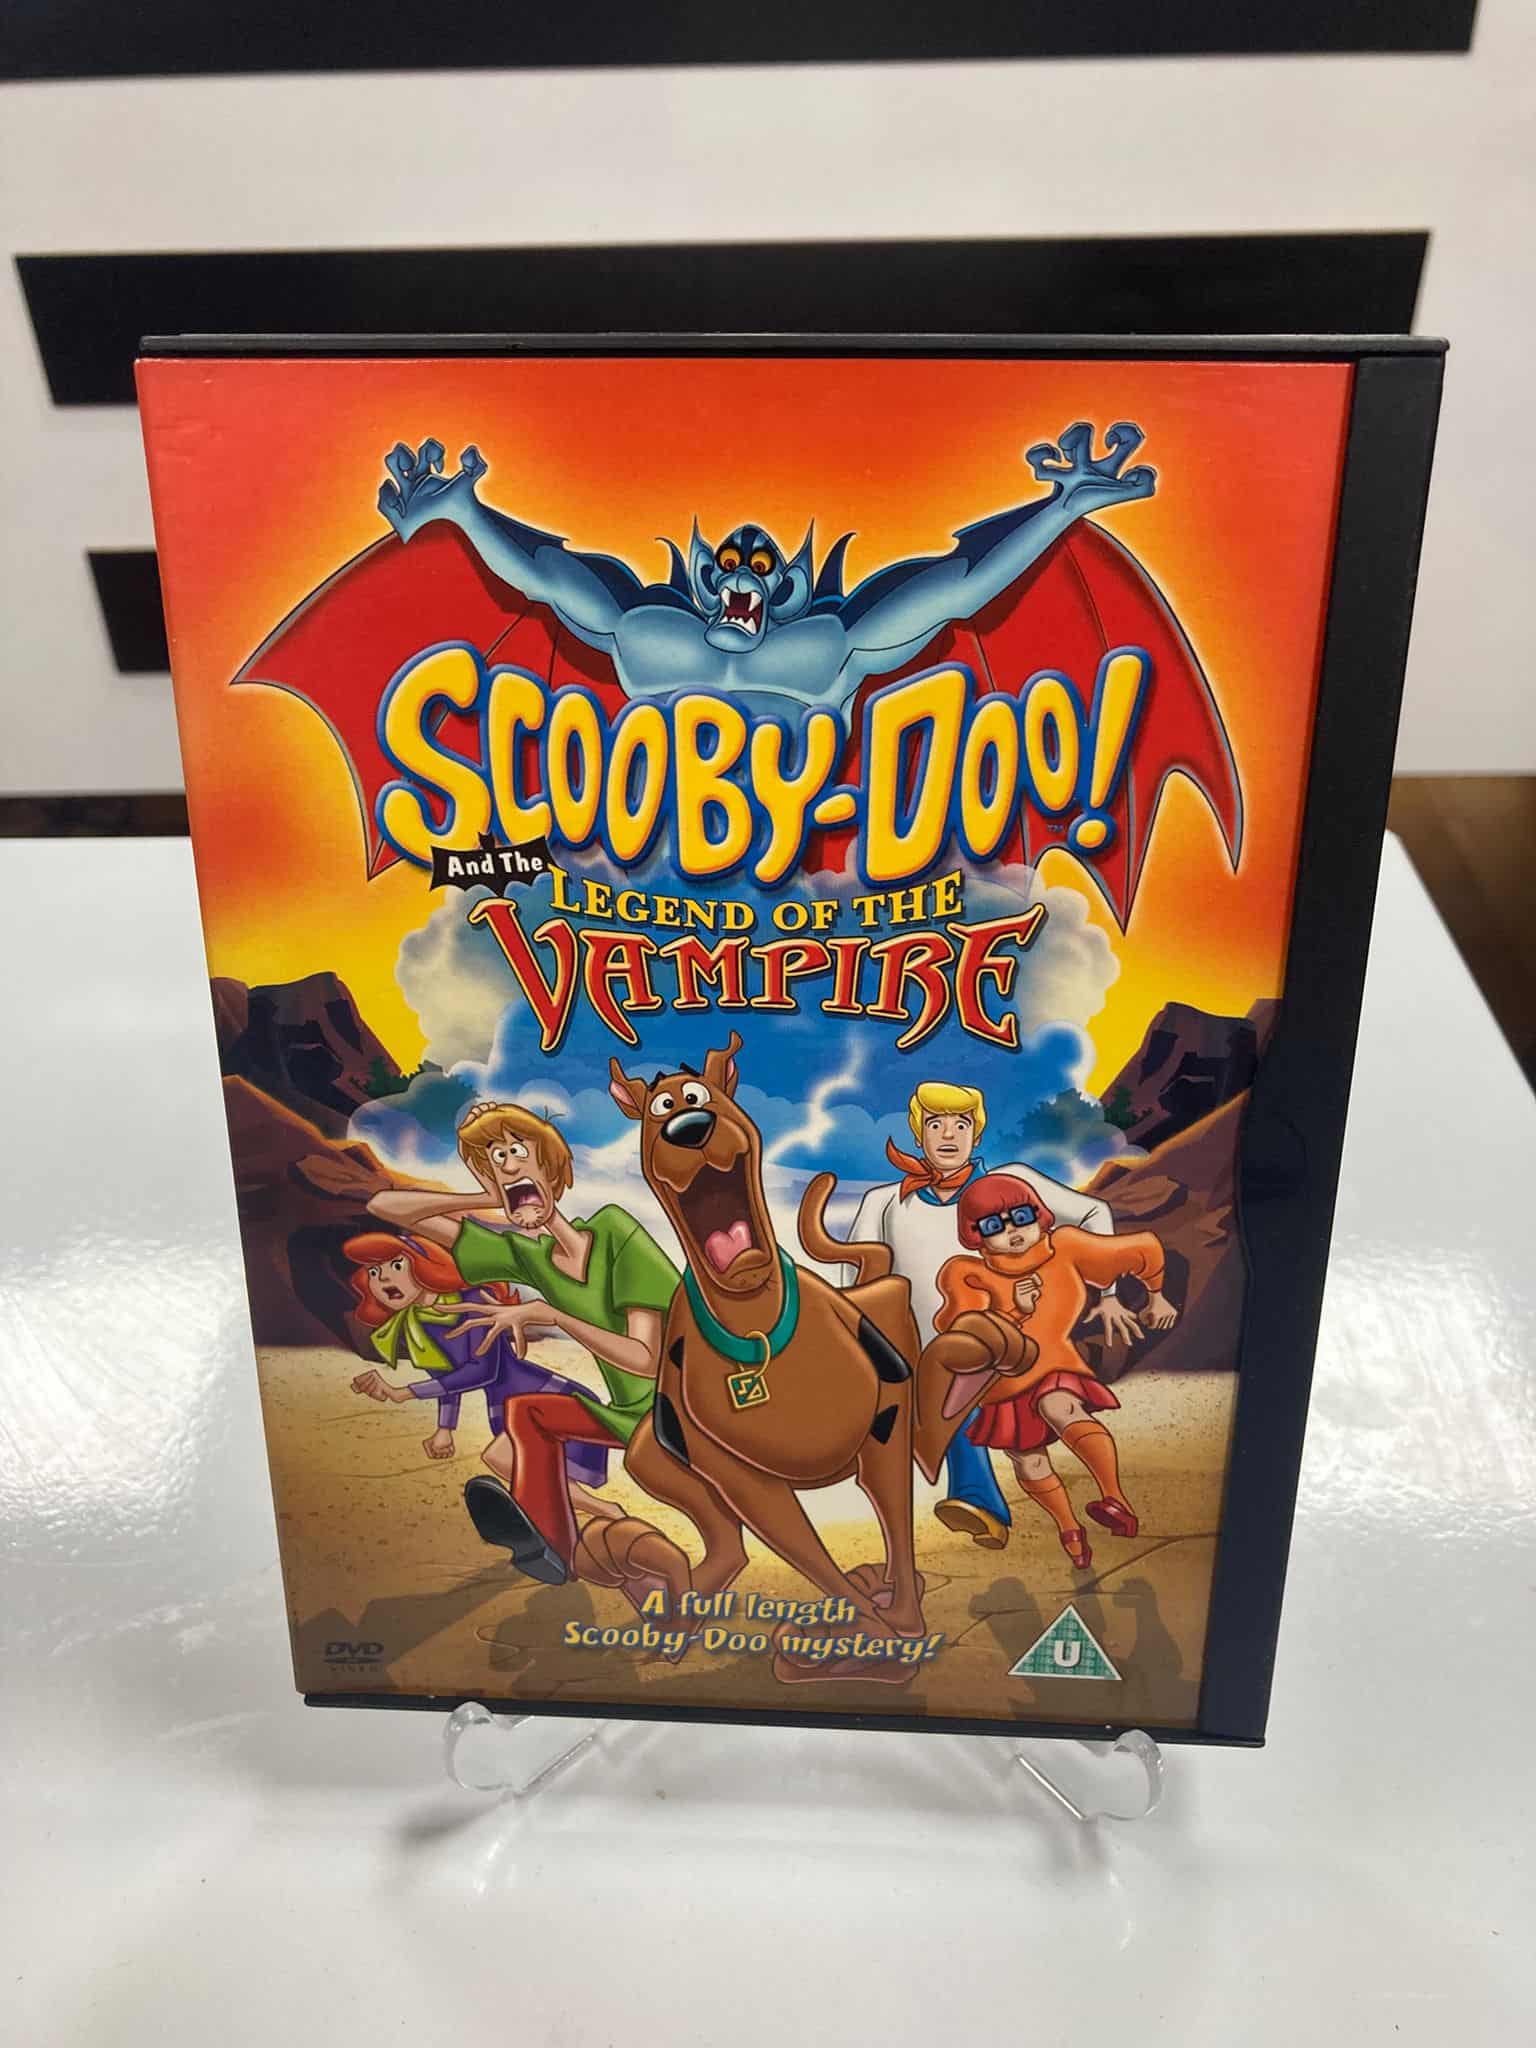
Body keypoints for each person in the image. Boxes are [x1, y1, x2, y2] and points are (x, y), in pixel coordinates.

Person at [367, 1102, 679, 1585]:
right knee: (525, 1416)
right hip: (628, 1415)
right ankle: (556, 1550)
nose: (508, 1165)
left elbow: (645, 1360)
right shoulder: (529, 1256)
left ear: (552, 1170)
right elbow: (383, 1207)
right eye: (496, 1159)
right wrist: (482, 1196)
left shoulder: (616, 1230)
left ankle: (573, 1535)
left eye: (517, 1152)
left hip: (679, 1410)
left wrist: (553, 1315)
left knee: (524, 1419)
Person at [845, 1080, 1142, 1549]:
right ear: (918, 1133)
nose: (948, 1135)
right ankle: (991, 1507)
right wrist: (859, 1342)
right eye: (936, 1124)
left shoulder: (1010, 1185)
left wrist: (1105, 1292)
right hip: (919, 1347)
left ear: (976, 1134)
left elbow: (1092, 1214)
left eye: (960, 1124)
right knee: (956, 1412)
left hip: (1012, 1334)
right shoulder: (882, 1202)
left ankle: (1082, 1499)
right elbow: (855, 1275)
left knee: (999, 1410)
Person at [926, 1172, 1178, 1570]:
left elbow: (1141, 1249)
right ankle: (1069, 1530)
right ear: (975, 1235)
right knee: (1030, 1462)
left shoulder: (1066, 1246)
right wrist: (1015, 1311)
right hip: (1003, 1383)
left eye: (1020, 1217)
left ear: (1039, 1214)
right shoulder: (965, 1273)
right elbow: (963, 1334)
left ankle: (1115, 1499)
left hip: (1054, 1364)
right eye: (993, 1225)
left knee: (1060, 1406)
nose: (1012, 1231)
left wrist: (1156, 1296)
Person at [342, 1230, 614, 1526]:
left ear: (424, 1265)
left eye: (396, 1265)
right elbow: (447, 1376)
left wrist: (405, 1392)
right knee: (535, 1474)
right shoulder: (419, 1324)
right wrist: (445, 1428)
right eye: (373, 1272)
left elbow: (483, 1369)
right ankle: (594, 1517)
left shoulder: (473, 1302)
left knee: (505, 1460)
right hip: (508, 1407)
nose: (383, 1279)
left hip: (545, 1397)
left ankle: (601, 1514)